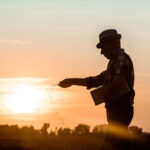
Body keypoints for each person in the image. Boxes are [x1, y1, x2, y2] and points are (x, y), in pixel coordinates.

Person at [58, 29, 135, 150]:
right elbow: (94, 81)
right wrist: (71, 81)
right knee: (121, 145)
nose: (101, 52)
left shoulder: (121, 60)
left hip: (120, 111)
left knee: (109, 145)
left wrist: (108, 93)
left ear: (113, 43)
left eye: (103, 47)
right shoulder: (113, 64)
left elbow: (118, 82)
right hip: (116, 112)